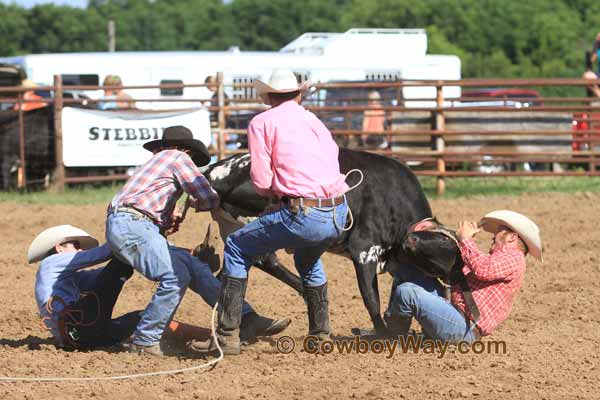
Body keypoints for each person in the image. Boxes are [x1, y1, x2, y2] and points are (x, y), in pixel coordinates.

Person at [190, 69, 350, 356]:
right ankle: (320, 334)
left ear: (268, 97)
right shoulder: (313, 119)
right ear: (298, 94)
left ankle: (227, 335)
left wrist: (276, 196)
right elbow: (332, 156)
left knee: (237, 246)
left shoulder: (262, 122)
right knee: (308, 258)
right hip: (339, 211)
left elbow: (262, 180)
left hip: (304, 213)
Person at [105, 125, 289, 356]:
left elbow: (146, 207)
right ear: (187, 150)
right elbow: (205, 194)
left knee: (195, 268)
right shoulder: (177, 156)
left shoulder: (157, 163)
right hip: (133, 225)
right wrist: (206, 202)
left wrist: (165, 220)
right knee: (174, 276)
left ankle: (245, 317)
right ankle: (145, 340)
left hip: (132, 224)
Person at [385, 210, 542, 343]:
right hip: (455, 315)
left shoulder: (514, 258)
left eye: (498, 232)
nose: (493, 237)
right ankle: (394, 331)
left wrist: (466, 239)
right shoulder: (499, 259)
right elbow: (468, 272)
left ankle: (394, 337)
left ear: (512, 237)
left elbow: (483, 269)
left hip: (464, 327)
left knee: (407, 292)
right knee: (406, 271)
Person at [28, 225, 141, 350]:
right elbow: (101, 255)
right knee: (120, 266)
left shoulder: (70, 278)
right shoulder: (50, 262)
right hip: (78, 326)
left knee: (143, 317)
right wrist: (132, 238)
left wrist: (132, 258)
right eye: (76, 245)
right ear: (59, 248)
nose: (80, 250)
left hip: (81, 336)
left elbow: (102, 275)